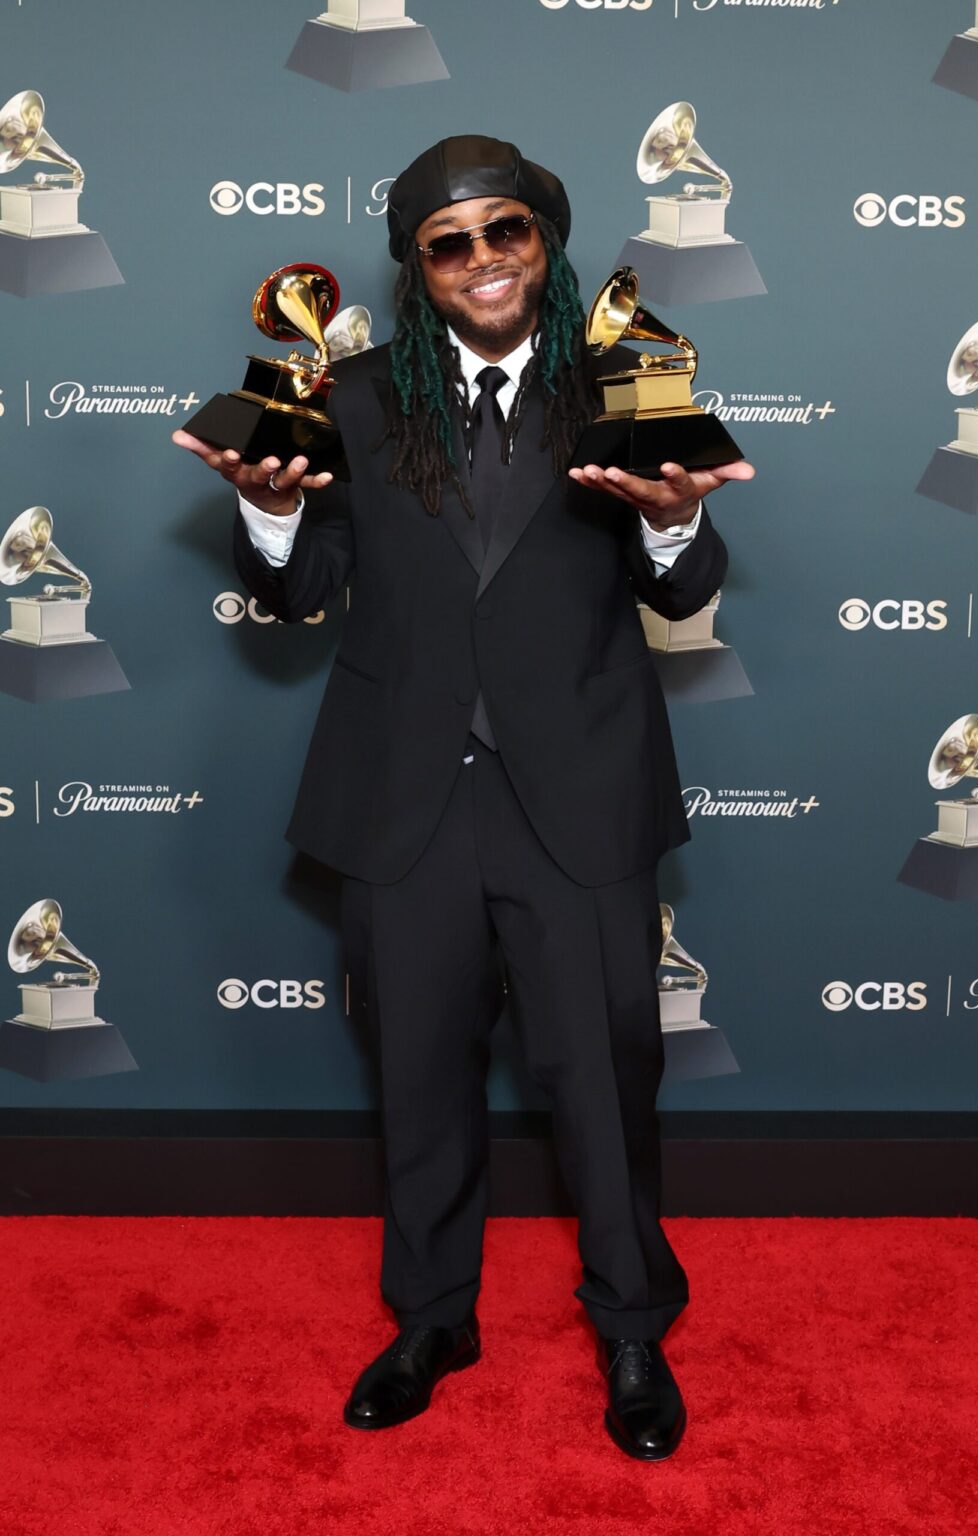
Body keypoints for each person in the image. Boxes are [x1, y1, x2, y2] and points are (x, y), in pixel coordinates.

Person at [173, 133, 754, 1462]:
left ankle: (628, 1325)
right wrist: (266, 514)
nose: (484, 262)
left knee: (607, 1080)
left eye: (509, 233)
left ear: (547, 241)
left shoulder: (623, 383)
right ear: (417, 265)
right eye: (450, 242)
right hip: (404, 795)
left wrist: (670, 521)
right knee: (419, 1073)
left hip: (581, 793)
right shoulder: (358, 397)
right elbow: (300, 590)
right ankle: (434, 1314)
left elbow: (679, 584)